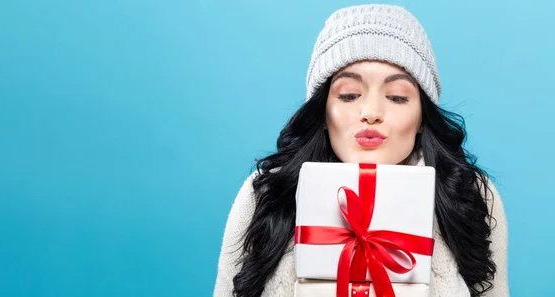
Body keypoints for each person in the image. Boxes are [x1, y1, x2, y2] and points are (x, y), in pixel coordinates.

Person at [213, 4, 508, 297]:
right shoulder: (267, 192)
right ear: (322, 112)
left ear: (422, 118)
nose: (370, 112)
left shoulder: (470, 196)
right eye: (349, 95)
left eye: (397, 97)